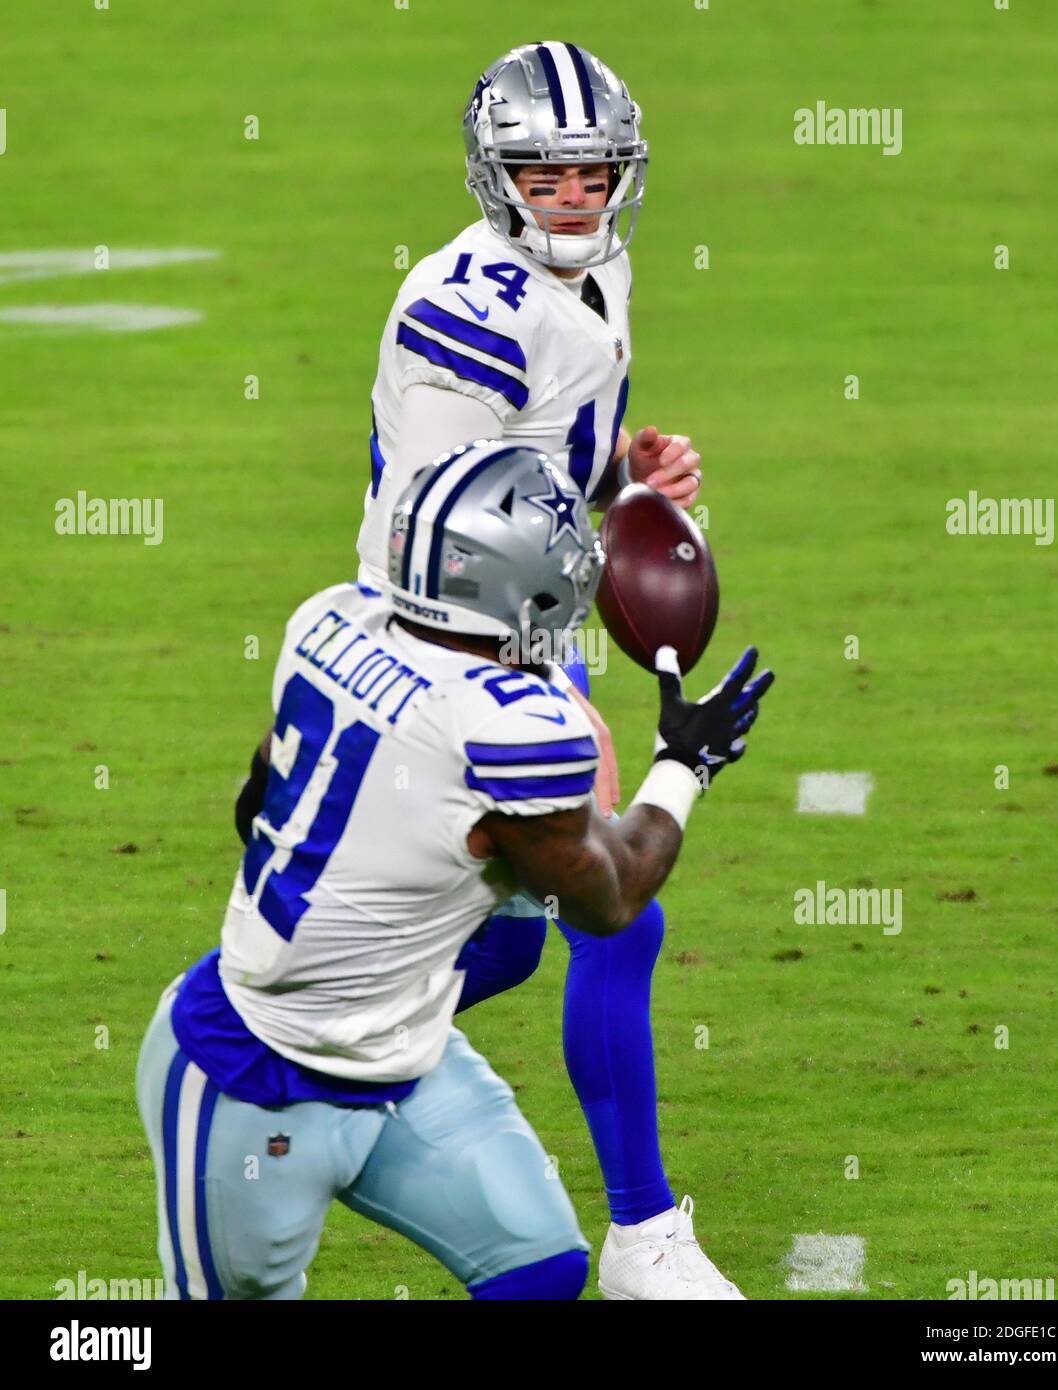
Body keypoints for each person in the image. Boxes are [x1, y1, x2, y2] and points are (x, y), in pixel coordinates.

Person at [135, 443, 773, 1300]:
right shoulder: (511, 727)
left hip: (405, 1056)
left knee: (539, 1271)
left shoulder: (328, 621)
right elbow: (610, 898)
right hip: (251, 1078)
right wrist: (683, 766)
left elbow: (253, 809)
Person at [354, 42, 742, 1297]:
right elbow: (452, 531)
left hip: (526, 613)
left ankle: (291, 1029)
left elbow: (547, 458)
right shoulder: (462, 306)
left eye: (592, 170)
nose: (572, 194)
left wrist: (625, 473)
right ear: (493, 174)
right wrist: (551, 700)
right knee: (611, 906)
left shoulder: (596, 268)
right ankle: (642, 1237)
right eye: (541, 171)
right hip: (438, 633)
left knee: (522, 939)